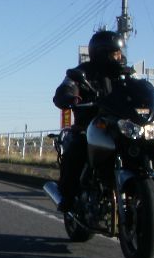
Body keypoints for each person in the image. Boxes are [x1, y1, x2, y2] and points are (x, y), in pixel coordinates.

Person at [52, 29, 134, 212]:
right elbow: (66, 88)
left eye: (120, 52)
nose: (119, 56)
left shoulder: (126, 74)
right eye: (115, 52)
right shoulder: (82, 72)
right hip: (89, 126)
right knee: (77, 147)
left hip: (119, 127)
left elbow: (139, 91)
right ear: (102, 53)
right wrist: (69, 96)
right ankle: (67, 196)